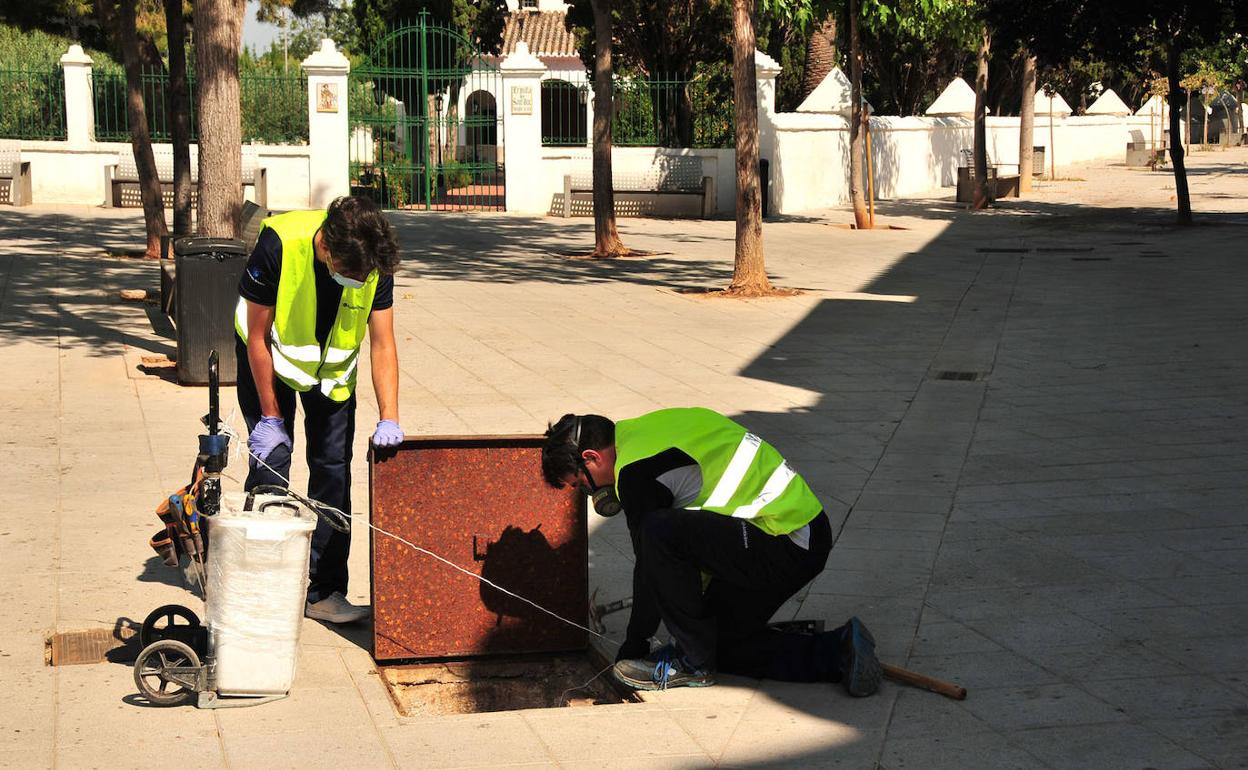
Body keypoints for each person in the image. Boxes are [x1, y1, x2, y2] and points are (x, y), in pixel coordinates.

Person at [541, 408, 882, 695]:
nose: (590, 492)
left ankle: (693, 664)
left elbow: (650, 564)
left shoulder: (633, 473)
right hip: (799, 530)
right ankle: (839, 650)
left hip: (785, 538)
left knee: (657, 532)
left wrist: (635, 645)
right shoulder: (643, 430)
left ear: (591, 457)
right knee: (722, 644)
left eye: (581, 484)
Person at [234, 196, 403, 624]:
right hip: (268, 360)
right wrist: (271, 417)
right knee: (273, 465)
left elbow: (382, 343)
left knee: (332, 472)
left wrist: (390, 415)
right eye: (353, 274)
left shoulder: (370, 261)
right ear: (326, 246)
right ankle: (263, 589)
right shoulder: (279, 244)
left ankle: (325, 592)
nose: (360, 281)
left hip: (331, 375)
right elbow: (258, 336)